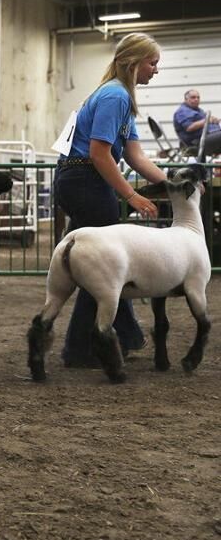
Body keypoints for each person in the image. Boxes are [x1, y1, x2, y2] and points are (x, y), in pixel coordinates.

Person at [53, 31, 168, 367]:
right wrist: (130, 194)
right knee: (103, 267)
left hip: (82, 180)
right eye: (152, 62)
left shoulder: (121, 100)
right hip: (86, 180)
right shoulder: (115, 97)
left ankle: (115, 338)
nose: (155, 70)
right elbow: (100, 153)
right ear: (134, 63)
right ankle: (83, 348)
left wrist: (172, 183)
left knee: (92, 264)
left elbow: (134, 156)